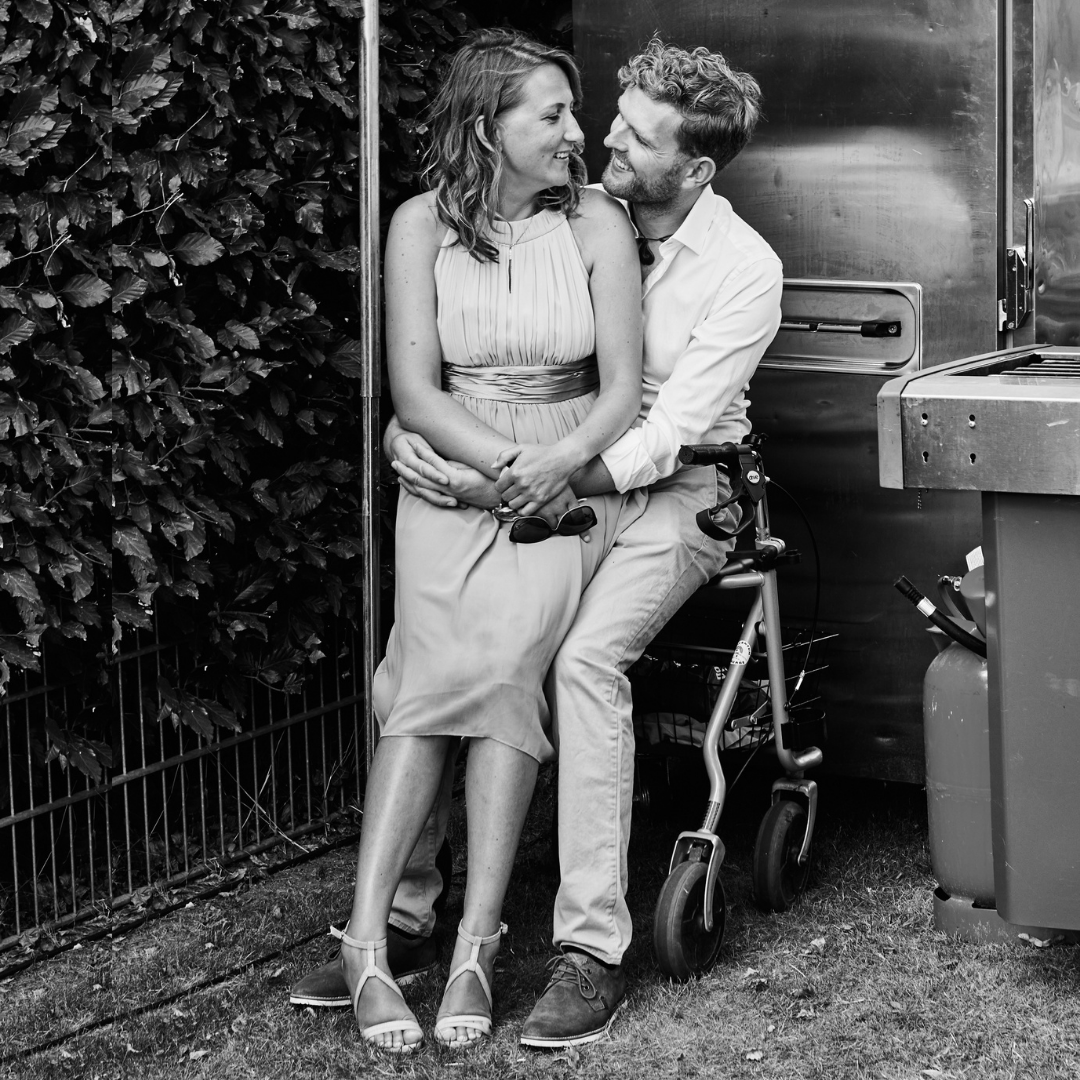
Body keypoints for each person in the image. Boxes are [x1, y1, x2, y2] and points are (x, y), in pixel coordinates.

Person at [291, 37, 783, 1049]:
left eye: (634, 135)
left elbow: (656, 434)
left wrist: (514, 479)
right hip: (547, 470)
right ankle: (405, 918)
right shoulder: (586, 208)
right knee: (412, 667)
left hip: (671, 486)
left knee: (579, 660)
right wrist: (413, 438)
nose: (601, 138)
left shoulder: (742, 269)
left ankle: (587, 948)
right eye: (604, 118)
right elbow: (448, 370)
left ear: (693, 167)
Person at [323, 29, 643, 1054]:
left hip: (568, 481)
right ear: (485, 127)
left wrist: (548, 472)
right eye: (552, 114)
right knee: (421, 675)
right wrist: (491, 473)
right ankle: (367, 944)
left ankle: (475, 943)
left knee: (502, 665)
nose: (576, 131)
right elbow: (416, 392)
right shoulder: (418, 225)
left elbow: (622, 392)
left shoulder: (598, 223)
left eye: (571, 111)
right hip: (454, 471)